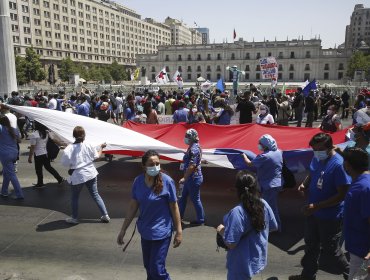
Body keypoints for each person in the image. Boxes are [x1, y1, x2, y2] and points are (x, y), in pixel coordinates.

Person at [289, 133, 350, 280]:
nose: (316, 152)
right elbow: (312, 172)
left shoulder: (338, 165)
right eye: (314, 149)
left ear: (330, 148)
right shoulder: (317, 157)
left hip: (330, 217)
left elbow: (342, 195)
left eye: (320, 149)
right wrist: (305, 184)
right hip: (313, 213)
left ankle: (355, 274)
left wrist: (318, 206)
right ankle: (307, 276)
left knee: (331, 251)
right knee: (311, 246)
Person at [117, 150, 182, 280]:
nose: (155, 167)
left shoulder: (167, 182)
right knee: (148, 267)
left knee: (157, 270)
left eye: (158, 164)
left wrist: (179, 231)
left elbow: (174, 207)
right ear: (144, 166)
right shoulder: (138, 182)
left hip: (162, 233)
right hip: (145, 232)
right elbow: (132, 206)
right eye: (151, 164)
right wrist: (123, 229)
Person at [216, 171, 278, 280]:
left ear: (237, 190)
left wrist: (221, 230)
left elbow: (231, 243)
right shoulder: (263, 204)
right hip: (257, 258)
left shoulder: (237, 212)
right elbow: (273, 226)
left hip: (240, 264)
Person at [61, 126, 110, 224]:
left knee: (75, 197)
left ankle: (74, 218)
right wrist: (101, 148)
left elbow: (64, 163)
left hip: (78, 176)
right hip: (91, 173)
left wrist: (72, 164)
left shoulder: (69, 148)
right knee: (95, 195)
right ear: (84, 135)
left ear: (74, 136)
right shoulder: (88, 145)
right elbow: (97, 156)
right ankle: (105, 215)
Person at [242, 134, 283, 231]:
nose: (258, 145)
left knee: (268, 207)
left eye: (260, 143)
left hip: (268, 185)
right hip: (276, 183)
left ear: (265, 145)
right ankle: (275, 227)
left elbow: (249, 163)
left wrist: (244, 155)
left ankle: (273, 228)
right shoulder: (278, 152)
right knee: (272, 206)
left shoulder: (264, 156)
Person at [342, 148, 370, 280]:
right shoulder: (363, 182)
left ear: (347, 165)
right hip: (358, 249)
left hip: (363, 253)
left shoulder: (362, 188)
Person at [178, 129, 205, 225]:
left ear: (193, 137)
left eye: (188, 136)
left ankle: (200, 220)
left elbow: (192, 165)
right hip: (190, 178)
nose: (186, 138)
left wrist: (185, 177)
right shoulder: (193, 147)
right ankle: (179, 218)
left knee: (195, 199)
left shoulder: (194, 148)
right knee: (182, 198)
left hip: (193, 178)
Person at [28, 121, 64, 188]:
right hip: (45, 153)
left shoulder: (34, 134)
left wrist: (30, 157)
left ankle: (40, 183)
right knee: (48, 167)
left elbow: (33, 147)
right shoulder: (46, 133)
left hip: (38, 154)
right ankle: (59, 178)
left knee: (38, 169)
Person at [0, 116, 23, 199]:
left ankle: (19, 194)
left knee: (11, 174)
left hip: (5, 154)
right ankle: (4, 191)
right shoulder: (14, 129)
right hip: (14, 152)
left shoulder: (1, 128)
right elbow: (19, 140)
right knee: (7, 173)